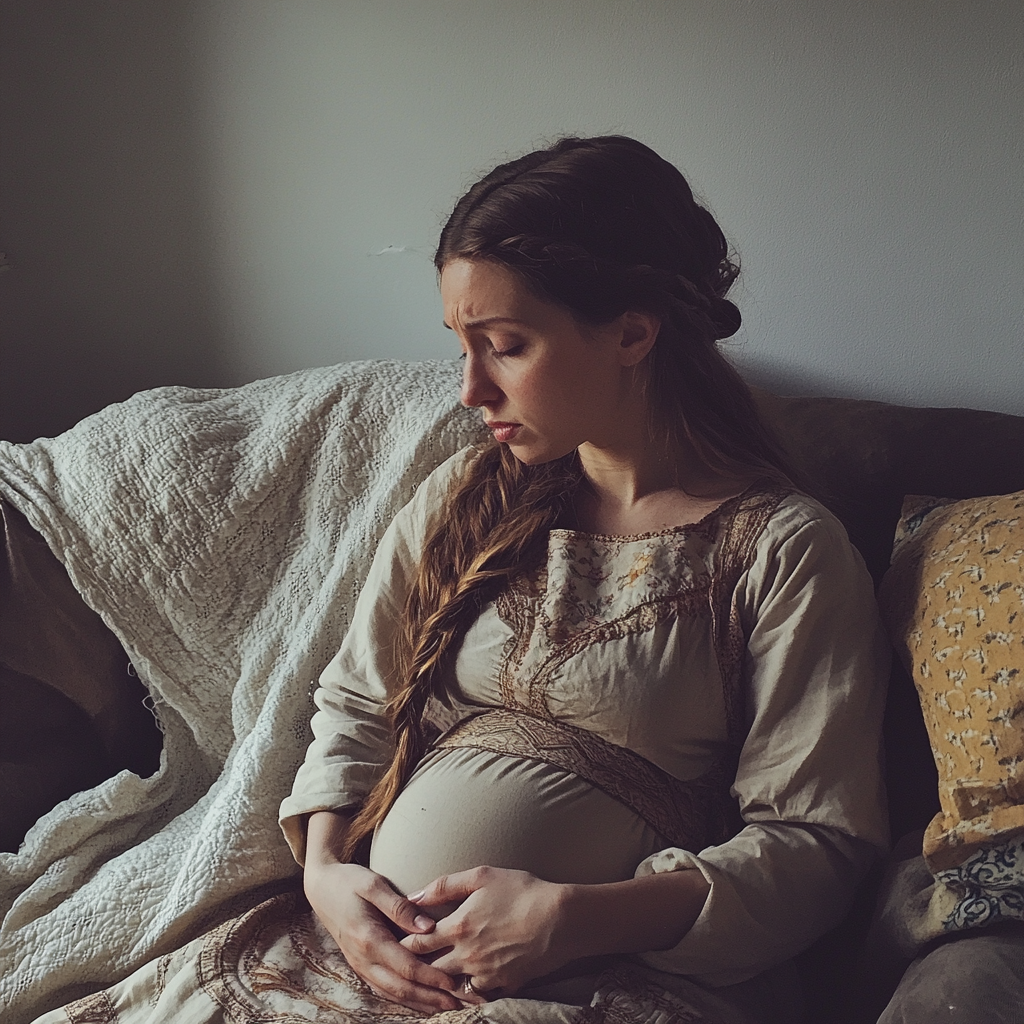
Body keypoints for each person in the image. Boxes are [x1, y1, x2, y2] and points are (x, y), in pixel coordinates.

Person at [37, 136, 889, 1024]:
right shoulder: (468, 497)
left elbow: (814, 845)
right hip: (347, 958)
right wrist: (329, 876)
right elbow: (358, 703)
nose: (470, 388)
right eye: (460, 345)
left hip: (590, 986)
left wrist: (571, 918)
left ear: (633, 331)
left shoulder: (783, 551)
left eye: (506, 346)